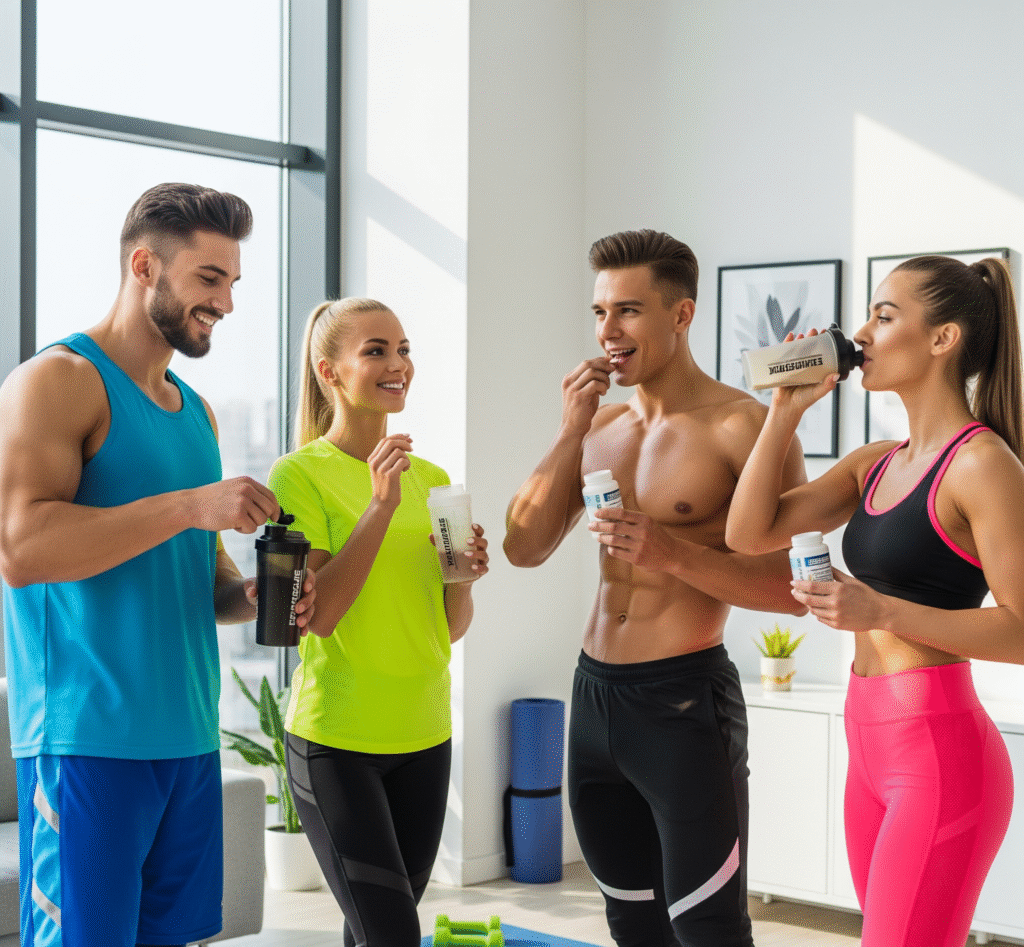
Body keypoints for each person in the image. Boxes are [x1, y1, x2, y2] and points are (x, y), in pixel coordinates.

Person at [0, 183, 316, 947]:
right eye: (210, 280)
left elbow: (199, 583)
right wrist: (188, 506)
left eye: (234, 283)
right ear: (146, 264)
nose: (227, 304)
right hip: (87, 740)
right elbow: (22, 549)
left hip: (188, 737)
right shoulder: (58, 381)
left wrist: (259, 593)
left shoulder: (197, 412)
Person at [503, 229, 808, 946]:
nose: (609, 331)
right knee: (630, 921)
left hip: (682, 703)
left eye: (629, 311)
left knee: (707, 925)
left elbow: (795, 587)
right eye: (601, 312)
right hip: (595, 697)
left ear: (681, 314)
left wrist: (672, 553)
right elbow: (523, 545)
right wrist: (569, 428)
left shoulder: (745, 427)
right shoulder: (600, 425)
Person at [725, 255, 1023, 947]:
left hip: (939, 754)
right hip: (870, 745)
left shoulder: (983, 464)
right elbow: (747, 532)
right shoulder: (875, 462)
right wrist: (783, 413)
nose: (862, 333)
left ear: (942, 338)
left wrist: (880, 611)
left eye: (884, 317)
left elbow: (1020, 630)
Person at [268, 297, 489, 947]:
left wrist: (465, 578)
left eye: (404, 349)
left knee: (373, 930)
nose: (399, 364)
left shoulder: (435, 478)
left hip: (424, 734)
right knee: (392, 932)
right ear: (329, 371)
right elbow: (324, 614)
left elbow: (447, 627)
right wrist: (380, 504)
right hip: (337, 741)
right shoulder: (299, 475)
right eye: (376, 351)